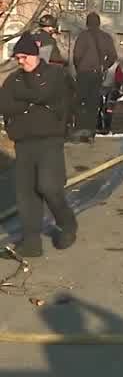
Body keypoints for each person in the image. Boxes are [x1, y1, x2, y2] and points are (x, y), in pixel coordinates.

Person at [0, 34, 77, 256]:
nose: (20, 61)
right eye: (17, 58)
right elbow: (6, 104)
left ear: (35, 55)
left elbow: (47, 94)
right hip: (23, 141)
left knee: (49, 187)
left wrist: (26, 101)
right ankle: (31, 243)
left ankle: (68, 224)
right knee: (26, 194)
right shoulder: (13, 80)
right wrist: (31, 103)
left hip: (49, 139)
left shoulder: (55, 74)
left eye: (24, 57)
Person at [71, 12, 117, 142]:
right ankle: (90, 132)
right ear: (98, 23)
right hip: (97, 74)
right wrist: (105, 66)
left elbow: (76, 56)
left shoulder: (83, 36)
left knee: (80, 102)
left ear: (87, 23)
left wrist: (78, 68)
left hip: (83, 73)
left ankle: (80, 130)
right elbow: (113, 56)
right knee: (93, 103)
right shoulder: (106, 37)